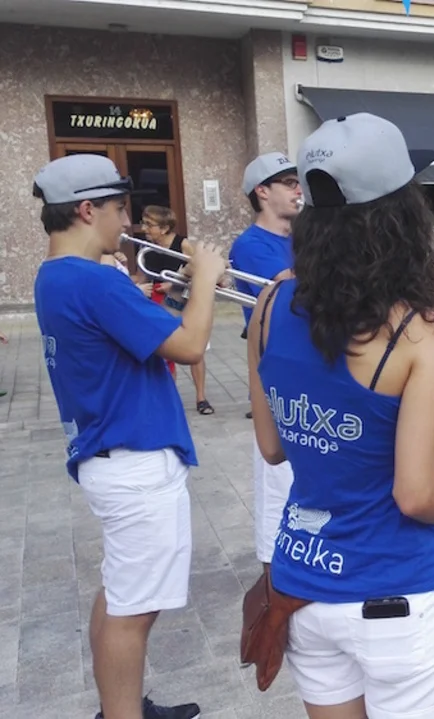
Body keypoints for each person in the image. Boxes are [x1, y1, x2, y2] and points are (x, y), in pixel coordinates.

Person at [247, 112, 434, 719]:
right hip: (397, 593)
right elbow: (415, 495)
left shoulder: (271, 301)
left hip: (305, 584)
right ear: (400, 215)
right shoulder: (420, 328)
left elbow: (273, 448)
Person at [32, 153, 226, 719]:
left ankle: (120, 706)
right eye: (120, 209)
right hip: (135, 459)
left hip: (110, 452)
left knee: (121, 595)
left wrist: (169, 291)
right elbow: (189, 346)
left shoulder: (56, 275)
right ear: (86, 210)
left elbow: (124, 330)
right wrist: (205, 278)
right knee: (133, 610)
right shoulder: (93, 280)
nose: (129, 223)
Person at [229, 152, 300, 572]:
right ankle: (274, 577)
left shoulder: (302, 238)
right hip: (278, 376)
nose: (298, 190)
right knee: (278, 486)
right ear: (262, 192)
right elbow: (293, 289)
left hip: (308, 368)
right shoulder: (251, 244)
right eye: (289, 183)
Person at [138, 205, 216, 415]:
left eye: (149, 225)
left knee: (196, 351)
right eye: (144, 223)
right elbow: (141, 276)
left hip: (184, 302)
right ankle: (169, 398)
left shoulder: (183, 244)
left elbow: (200, 271)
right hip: (159, 303)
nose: (144, 228)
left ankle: (201, 398)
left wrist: (173, 284)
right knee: (165, 352)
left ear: (164, 228)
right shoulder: (146, 248)